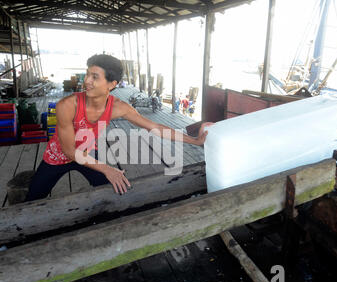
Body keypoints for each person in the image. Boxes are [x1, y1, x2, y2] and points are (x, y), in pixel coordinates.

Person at [25, 54, 213, 202]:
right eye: (88, 74)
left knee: (115, 190)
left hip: (88, 154)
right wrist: (107, 168)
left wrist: (195, 141)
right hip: (57, 157)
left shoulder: (119, 108)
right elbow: (69, 151)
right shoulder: (67, 105)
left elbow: (154, 126)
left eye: (95, 77)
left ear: (112, 85)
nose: (87, 80)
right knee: (33, 199)